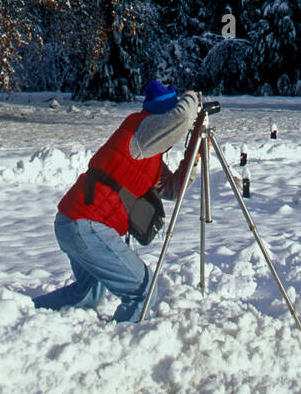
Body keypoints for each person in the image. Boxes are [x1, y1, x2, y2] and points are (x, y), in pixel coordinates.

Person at [37, 82, 199, 321]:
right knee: (144, 293)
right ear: (162, 115)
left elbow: (174, 190)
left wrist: (193, 158)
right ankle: (124, 346)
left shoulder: (149, 155)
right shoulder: (142, 131)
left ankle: (25, 311)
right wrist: (193, 98)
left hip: (71, 222)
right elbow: (184, 116)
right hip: (86, 224)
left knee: (88, 294)